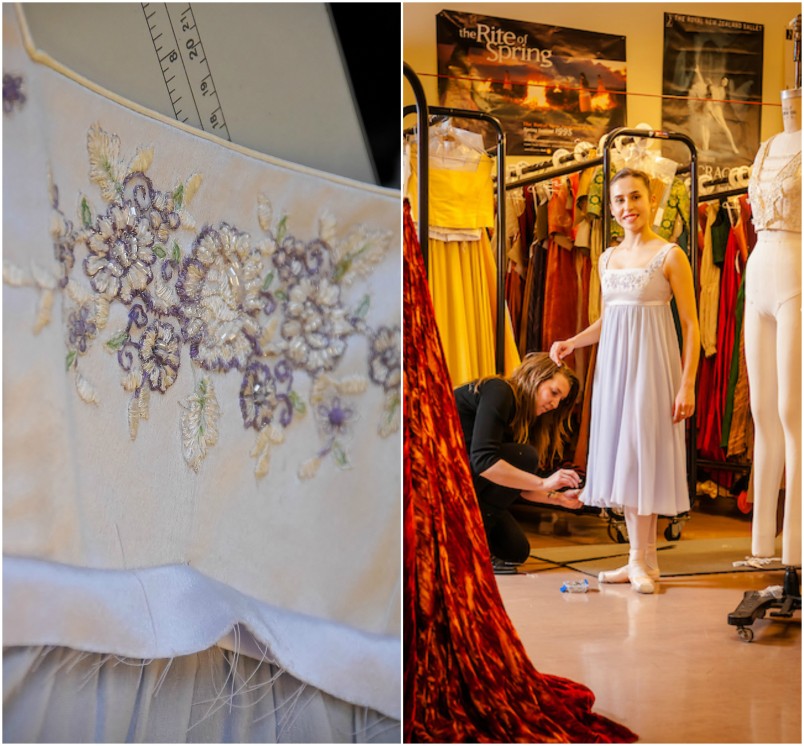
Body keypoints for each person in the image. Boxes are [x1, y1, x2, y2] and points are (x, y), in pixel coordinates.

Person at [550, 168, 700, 594]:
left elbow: (691, 326)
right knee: (624, 454)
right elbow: (609, 318)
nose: (627, 207)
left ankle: (639, 561)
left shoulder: (670, 254)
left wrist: (686, 384)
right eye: (618, 200)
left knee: (642, 452)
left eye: (635, 197)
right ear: (611, 207)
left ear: (651, 200)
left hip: (653, 367)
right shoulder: (606, 258)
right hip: (615, 369)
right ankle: (643, 563)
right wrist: (571, 342)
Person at [454, 352, 583, 573]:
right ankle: (465, 544)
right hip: (441, 481)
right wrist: (544, 483)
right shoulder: (499, 390)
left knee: (516, 551)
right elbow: (483, 461)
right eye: (553, 393)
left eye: (559, 400)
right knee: (526, 457)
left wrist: (558, 498)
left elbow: (520, 489)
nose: (554, 404)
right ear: (535, 376)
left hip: (468, 485)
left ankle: (467, 541)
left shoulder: (523, 419)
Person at [744, 86, 801, 567]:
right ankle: (761, 544)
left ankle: (795, 546)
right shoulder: (764, 148)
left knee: (792, 413)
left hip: (795, 278)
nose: (790, 102)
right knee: (762, 411)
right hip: (757, 274)